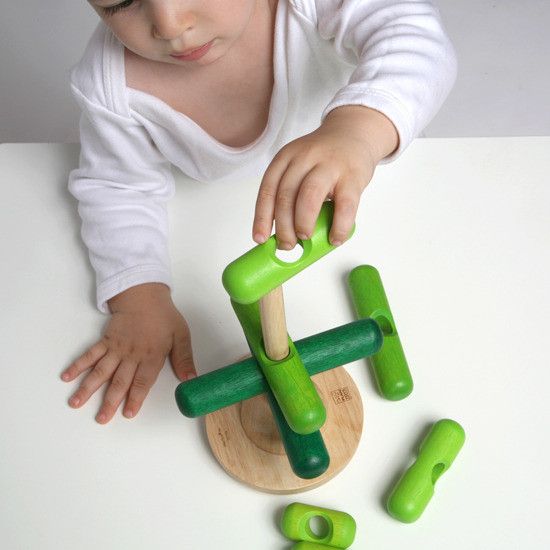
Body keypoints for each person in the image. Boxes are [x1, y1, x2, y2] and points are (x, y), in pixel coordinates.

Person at [62, 0, 457, 424]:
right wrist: (139, 297)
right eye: (119, 3)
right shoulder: (109, 87)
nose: (169, 25)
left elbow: (415, 34)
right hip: (217, 212)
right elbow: (119, 188)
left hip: (377, 196)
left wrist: (359, 130)